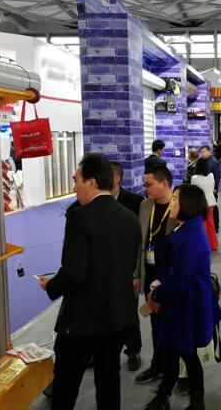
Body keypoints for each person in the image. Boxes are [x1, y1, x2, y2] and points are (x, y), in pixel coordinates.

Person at [40, 153, 141, 410]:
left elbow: (75, 272)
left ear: (92, 182)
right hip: (116, 317)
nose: (74, 186)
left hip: (82, 321)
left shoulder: (79, 217)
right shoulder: (130, 217)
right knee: (109, 383)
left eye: (76, 180)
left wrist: (51, 285)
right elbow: (125, 266)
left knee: (65, 386)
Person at [145, 185, 221, 410]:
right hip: (181, 303)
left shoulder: (191, 236)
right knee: (176, 351)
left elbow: (178, 279)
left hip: (184, 305)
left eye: (176, 199)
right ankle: (168, 396)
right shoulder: (187, 229)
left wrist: (156, 294)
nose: (171, 203)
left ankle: (189, 400)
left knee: (184, 352)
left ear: (188, 205)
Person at [134, 165, 177, 385]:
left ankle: (180, 372)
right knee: (155, 321)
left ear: (164, 183)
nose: (145, 188)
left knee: (175, 323)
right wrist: (136, 274)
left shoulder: (179, 207)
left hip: (172, 275)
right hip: (149, 271)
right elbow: (139, 243)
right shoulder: (145, 206)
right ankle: (158, 365)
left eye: (149, 184)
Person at [110, 161, 144, 371]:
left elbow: (139, 238)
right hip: (105, 269)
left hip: (128, 267)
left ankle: (133, 350)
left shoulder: (134, 201)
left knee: (129, 313)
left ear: (117, 178)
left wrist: (136, 272)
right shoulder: (93, 202)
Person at [191, 158, 218, 251]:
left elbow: (194, 192)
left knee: (202, 225)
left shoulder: (194, 178)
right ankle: (213, 244)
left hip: (200, 203)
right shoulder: (211, 175)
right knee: (210, 223)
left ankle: (204, 245)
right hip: (211, 202)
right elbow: (212, 188)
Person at [200, 145, 221, 233]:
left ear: (209, 151)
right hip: (204, 188)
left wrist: (215, 188)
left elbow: (217, 176)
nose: (203, 153)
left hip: (212, 189)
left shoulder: (215, 162)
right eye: (202, 152)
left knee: (214, 207)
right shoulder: (202, 161)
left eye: (204, 151)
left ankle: (216, 226)